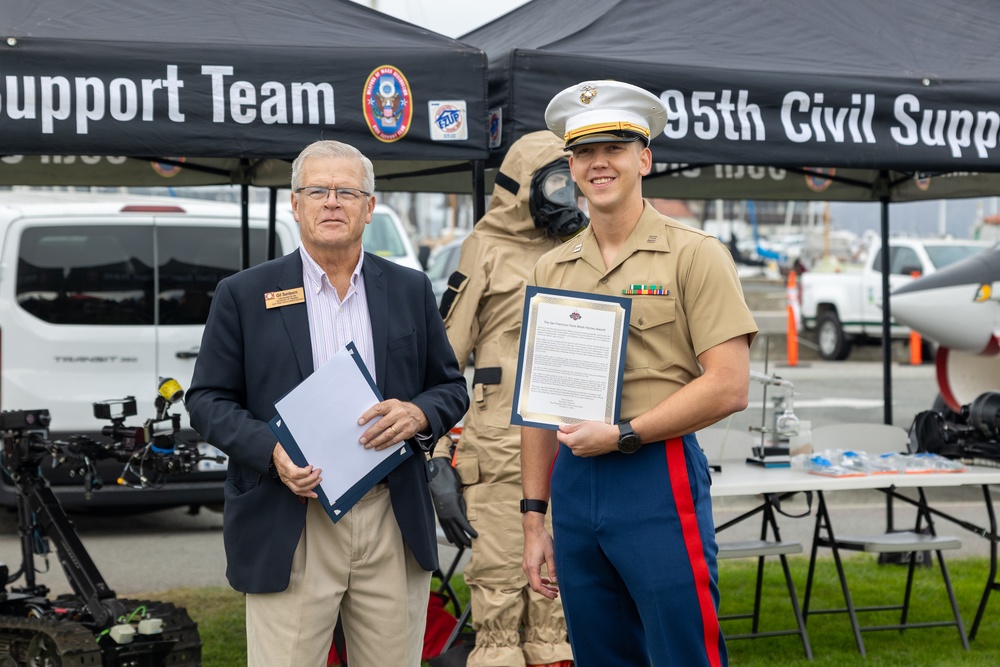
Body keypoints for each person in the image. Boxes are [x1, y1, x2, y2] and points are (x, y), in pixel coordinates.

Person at [186, 139, 470, 667]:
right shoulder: (244, 294)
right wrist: (272, 451)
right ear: (296, 204)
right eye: (317, 190)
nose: (332, 202)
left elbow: (451, 387)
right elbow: (206, 399)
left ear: (370, 206)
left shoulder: (409, 288)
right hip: (292, 517)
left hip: (389, 513)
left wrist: (419, 413)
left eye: (347, 191)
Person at [520, 80, 759, 667]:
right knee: (599, 651)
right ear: (571, 168)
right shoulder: (552, 267)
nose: (599, 163)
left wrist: (625, 432)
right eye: (584, 152)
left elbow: (729, 384)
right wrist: (533, 519)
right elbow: (538, 403)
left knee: (682, 650)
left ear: (644, 159)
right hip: (575, 479)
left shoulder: (695, 253)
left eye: (615, 148)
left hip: (655, 472)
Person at [429, 130, 585, 667]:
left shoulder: (586, 248)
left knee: (557, 592)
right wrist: (437, 457)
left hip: (573, 442)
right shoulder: (486, 247)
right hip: (499, 450)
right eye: (556, 183)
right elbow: (444, 363)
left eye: (573, 182)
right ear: (526, 187)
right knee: (498, 584)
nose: (567, 196)